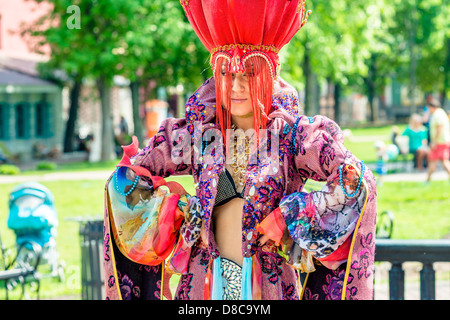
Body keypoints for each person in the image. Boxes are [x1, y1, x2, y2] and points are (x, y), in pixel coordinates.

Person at [104, 0, 377, 300]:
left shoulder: (294, 136)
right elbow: (124, 181)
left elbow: (358, 182)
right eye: (225, 74)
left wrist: (290, 216)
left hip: (270, 288)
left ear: (270, 75)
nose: (235, 87)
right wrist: (180, 213)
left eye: (249, 74)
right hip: (201, 287)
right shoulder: (197, 136)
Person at [426, 99, 450, 183]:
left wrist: (434, 141)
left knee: (439, 161)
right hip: (443, 141)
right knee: (442, 161)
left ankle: (427, 181)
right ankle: (427, 180)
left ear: (431, 107)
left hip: (439, 142)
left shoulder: (437, 114)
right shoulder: (442, 113)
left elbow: (439, 128)